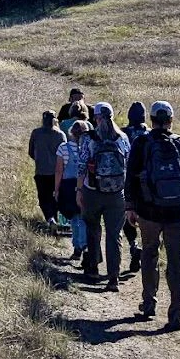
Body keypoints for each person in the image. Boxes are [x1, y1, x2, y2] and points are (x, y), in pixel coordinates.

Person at [125, 100, 180, 331]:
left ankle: (149, 304)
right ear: (171, 120)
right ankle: (175, 316)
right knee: (176, 261)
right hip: (178, 213)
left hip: (148, 212)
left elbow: (131, 176)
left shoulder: (141, 143)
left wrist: (130, 206)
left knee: (149, 255)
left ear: (151, 120)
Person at [77, 102, 130, 291]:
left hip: (92, 191)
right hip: (117, 194)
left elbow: (82, 166)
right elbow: (128, 167)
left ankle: (92, 268)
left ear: (96, 118)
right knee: (114, 236)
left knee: (93, 229)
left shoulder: (89, 139)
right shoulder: (123, 138)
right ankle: (113, 278)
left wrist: (79, 190)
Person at [54, 120, 89, 260]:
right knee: (84, 218)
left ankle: (77, 247)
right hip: (86, 186)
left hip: (68, 186)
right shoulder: (89, 148)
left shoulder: (63, 148)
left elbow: (58, 171)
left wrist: (56, 190)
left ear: (71, 133)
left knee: (74, 218)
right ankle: (85, 245)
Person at [121, 102, 150, 272]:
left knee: (128, 218)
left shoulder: (124, 133)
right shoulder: (150, 134)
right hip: (149, 184)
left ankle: (133, 245)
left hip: (128, 181)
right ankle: (147, 250)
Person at [28, 110, 67, 229]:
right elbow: (65, 154)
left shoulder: (36, 133)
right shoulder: (60, 135)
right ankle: (54, 219)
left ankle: (50, 219)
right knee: (55, 197)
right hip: (57, 172)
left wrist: (40, 160)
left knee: (43, 197)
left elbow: (30, 152)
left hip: (41, 171)